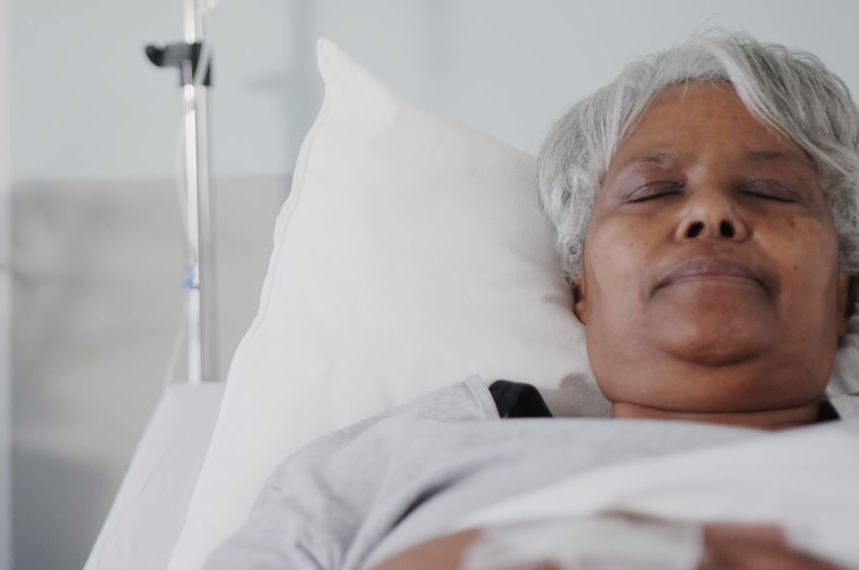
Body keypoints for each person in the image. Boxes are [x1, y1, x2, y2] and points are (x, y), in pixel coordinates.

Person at [203, 31, 859, 570]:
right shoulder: (392, 462)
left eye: (771, 191)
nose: (711, 212)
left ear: (843, 290)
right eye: (652, 192)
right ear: (582, 291)